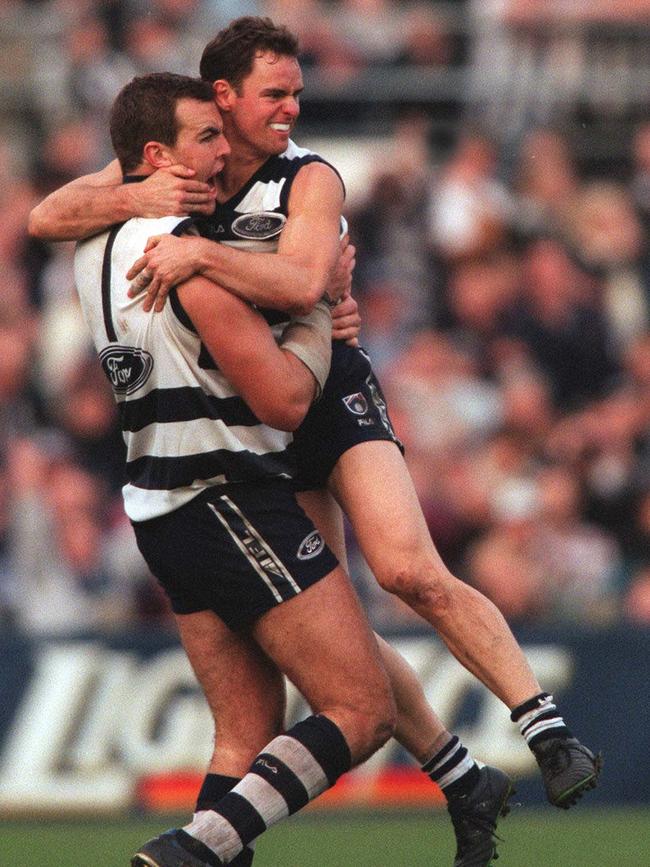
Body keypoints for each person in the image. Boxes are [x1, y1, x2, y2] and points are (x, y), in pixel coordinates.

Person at [30, 16, 601, 864]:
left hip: (312, 384)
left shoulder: (309, 179)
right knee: (331, 632)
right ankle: (459, 774)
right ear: (220, 103)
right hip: (251, 409)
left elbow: (302, 282)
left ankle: (545, 726)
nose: (294, 108)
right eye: (277, 93)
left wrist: (207, 261)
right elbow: (49, 211)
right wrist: (138, 201)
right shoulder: (181, 165)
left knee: (405, 568)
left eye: (299, 91)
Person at [73, 70, 399, 867]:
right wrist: (321, 306)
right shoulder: (190, 261)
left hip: (157, 508)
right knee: (362, 710)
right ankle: (191, 847)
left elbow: (62, 210)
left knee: (243, 736)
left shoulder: (92, 247)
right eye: (206, 137)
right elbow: (287, 399)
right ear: (157, 154)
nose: (226, 150)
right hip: (230, 495)